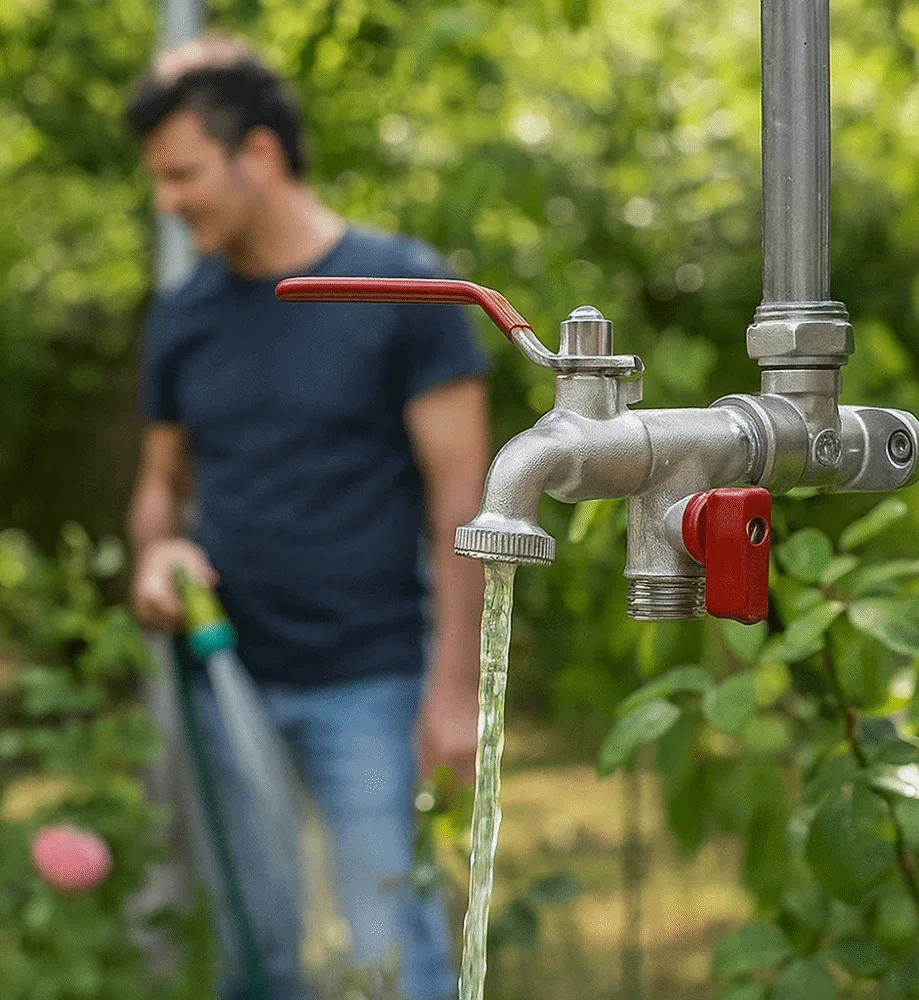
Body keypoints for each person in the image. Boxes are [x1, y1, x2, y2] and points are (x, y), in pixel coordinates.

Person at [124, 34, 489, 1000]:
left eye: (183, 174)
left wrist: (456, 689)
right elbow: (160, 484)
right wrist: (158, 553)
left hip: (368, 680)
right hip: (226, 678)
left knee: (390, 958)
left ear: (259, 153)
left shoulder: (402, 286)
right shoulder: (184, 314)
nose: (167, 201)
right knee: (257, 954)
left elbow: (464, 499)